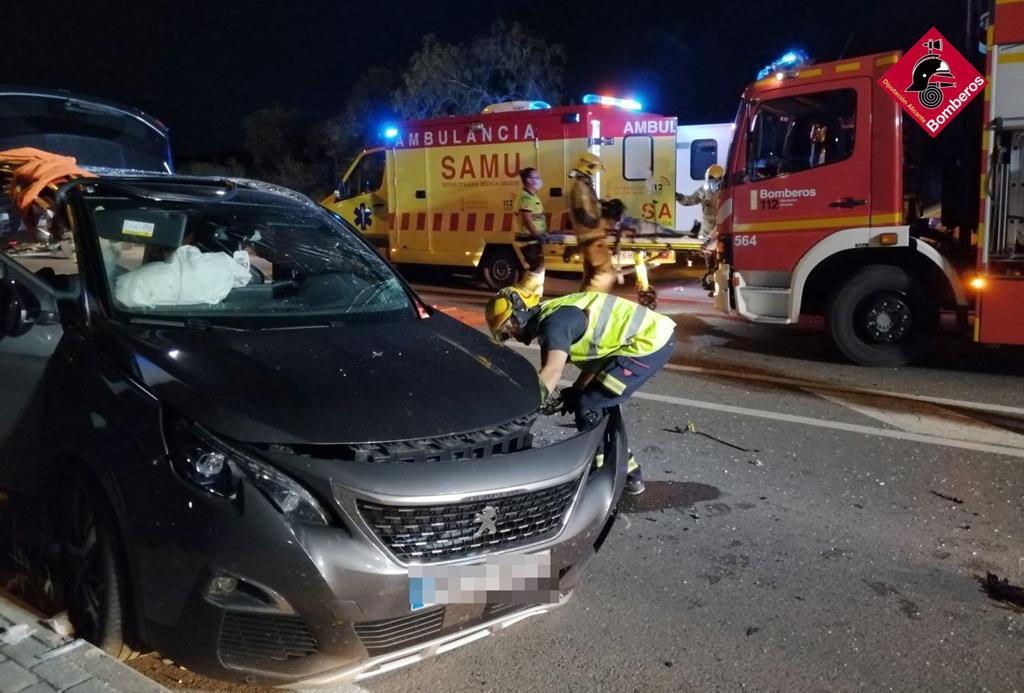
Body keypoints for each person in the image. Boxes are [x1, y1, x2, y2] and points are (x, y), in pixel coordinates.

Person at [485, 286, 677, 495]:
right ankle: (629, 474)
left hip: (648, 343)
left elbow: (552, 371)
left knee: (590, 406)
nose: (511, 334)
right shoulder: (553, 317)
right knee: (596, 402)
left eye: (508, 327)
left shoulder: (554, 324)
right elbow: (597, 360)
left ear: (519, 312)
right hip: (646, 340)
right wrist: (577, 389)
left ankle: (603, 475)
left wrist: (525, 411)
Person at [568, 153, 617, 293]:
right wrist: (604, 222)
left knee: (591, 276)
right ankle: (591, 307)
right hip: (590, 237)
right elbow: (583, 216)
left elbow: (588, 209)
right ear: (589, 167)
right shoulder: (580, 187)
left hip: (590, 237)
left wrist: (603, 208)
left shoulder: (583, 185)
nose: (596, 173)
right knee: (605, 274)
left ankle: (580, 307)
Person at [514, 167, 548, 296]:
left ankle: (534, 296)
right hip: (528, 240)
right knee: (536, 270)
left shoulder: (531, 196)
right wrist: (537, 235)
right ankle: (523, 295)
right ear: (528, 180)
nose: (539, 180)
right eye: (536, 177)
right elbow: (527, 220)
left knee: (538, 269)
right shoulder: (526, 198)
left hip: (532, 239)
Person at [675, 164, 724, 240]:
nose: (712, 183)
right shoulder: (704, 190)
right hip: (706, 232)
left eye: (715, 180)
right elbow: (691, 200)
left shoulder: (727, 192)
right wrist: (679, 197)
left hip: (720, 232)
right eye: (709, 180)